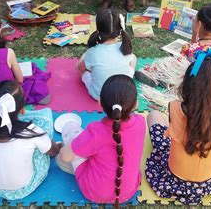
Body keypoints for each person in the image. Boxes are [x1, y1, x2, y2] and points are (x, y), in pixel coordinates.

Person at [145, 50, 211, 204]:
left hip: (173, 180)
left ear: (186, 85)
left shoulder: (175, 107)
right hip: (210, 182)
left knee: (153, 115)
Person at [57, 75, 146, 206]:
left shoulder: (95, 132)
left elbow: (64, 156)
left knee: (69, 128)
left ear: (99, 103)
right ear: (136, 104)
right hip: (128, 192)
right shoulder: (141, 122)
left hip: (95, 192)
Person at [0, 80, 60, 198]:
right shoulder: (31, 131)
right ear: (22, 110)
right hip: (23, 187)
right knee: (45, 121)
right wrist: (58, 147)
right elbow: (52, 151)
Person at [77, 8, 136, 101]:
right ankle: (129, 77)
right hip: (123, 94)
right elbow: (132, 59)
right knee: (133, 58)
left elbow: (80, 67)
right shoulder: (124, 46)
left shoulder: (92, 52)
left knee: (82, 66)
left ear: (98, 28)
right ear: (120, 27)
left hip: (99, 96)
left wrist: (86, 57)